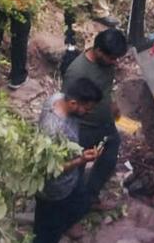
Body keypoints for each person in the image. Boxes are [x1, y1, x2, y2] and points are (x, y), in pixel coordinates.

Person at [62, 27, 127, 208]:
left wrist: (112, 105)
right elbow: (68, 104)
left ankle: (90, 196)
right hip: (84, 128)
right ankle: (70, 211)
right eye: (112, 58)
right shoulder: (77, 72)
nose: (115, 62)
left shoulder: (107, 64)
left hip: (105, 124)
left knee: (109, 156)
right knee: (76, 171)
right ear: (98, 51)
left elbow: (107, 87)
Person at [34, 77, 104, 243]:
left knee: (82, 203)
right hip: (54, 190)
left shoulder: (57, 98)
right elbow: (50, 169)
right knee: (47, 233)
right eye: (86, 109)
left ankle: (64, 226)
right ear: (73, 103)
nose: (88, 113)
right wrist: (80, 161)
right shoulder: (54, 130)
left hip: (71, 179)